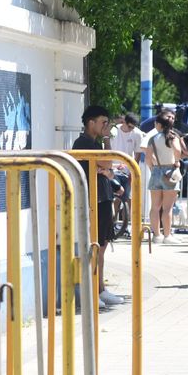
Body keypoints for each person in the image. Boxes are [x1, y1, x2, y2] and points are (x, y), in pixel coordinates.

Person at [72, 106, 125, 310]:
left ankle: (100, 288)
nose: (106, 126)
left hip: (102, 198)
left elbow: (107, 167)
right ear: (91, 122)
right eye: (103, 122)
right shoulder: (84, 142)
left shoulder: (92, 143)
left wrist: (107, 171)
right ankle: (92, 291)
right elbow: (107, 161)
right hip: (93, 200)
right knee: (95, 247)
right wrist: (105, 164)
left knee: (101, 246)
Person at [145, 110, 185, 243]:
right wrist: (177, 162)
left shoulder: (153, 138)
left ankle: (156, 235)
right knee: (167, 208)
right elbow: (178, 150)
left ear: (159, 124)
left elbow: (148, 158)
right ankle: (167, 235)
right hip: (170, 171)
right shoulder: (173, 137)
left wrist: (153, 169)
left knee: (155, 207)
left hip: (156, 170)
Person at [110, 113, 142, 238]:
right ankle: (112, 225)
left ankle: (126, 227)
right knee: (115, 199)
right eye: (129, 126)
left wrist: (134, 170)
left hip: (127, 170)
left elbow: (138, 154)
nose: (131, 129)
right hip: (113, 169)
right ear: (123, 122)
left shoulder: (137, 133)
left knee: (127, 199)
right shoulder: (113, 131)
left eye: (133, 127)